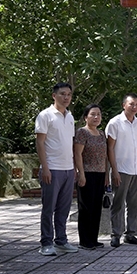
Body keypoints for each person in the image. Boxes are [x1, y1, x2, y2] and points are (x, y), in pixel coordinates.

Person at [34, 82, 78, 256]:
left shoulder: (70, 117)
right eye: (62, 94)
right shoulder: (45, 115)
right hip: (52, 168)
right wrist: (45, 168)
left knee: (64, 208)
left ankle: (61, 240)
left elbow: (70, 143)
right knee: (48, 208)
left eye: (68, 94)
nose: (66, 97)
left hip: (68, 169)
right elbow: (40, 142)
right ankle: (46, 242)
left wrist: (74, 167)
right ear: (54, 96)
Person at [106, 93, 137, 248]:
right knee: (118, 203)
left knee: (133, 203)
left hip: (136, 169)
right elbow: (110, 148)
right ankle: (115, 234)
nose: (134, 106)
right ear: (124, 105)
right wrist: (114, 171)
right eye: (131, 104)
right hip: (121, 169)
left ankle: (130, 234)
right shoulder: (115, 123)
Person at [73, 104, 108, 250]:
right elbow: (77, 154)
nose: (96, 117)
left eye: (98, 114)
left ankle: (94, 238)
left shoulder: (101, 134)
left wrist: (107, 174)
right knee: (86, 207)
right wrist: (80, 173)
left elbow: (105, 156)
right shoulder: (82, 132)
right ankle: (84, 240)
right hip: (86, 173)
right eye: (92, 114)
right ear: (86, 116)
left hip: (100, 173)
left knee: (96, 207)